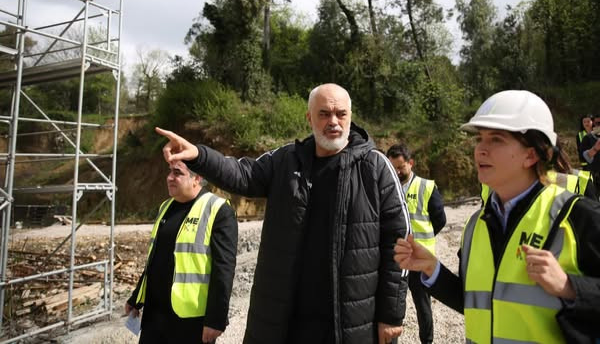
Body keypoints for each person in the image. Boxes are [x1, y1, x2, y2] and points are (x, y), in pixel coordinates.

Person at [155, 83, 410, 344]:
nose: (333, 121)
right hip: (284, 320)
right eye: (324, 114)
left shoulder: (375, 166)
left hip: (348, 323)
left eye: (340, 114)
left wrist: (391, 314)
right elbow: (243, 174)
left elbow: (399, 240)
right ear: (309, 117)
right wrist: (199, 156)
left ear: (350, 117)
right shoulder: (287, 159)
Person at [394, 90, 600, 343]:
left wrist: (570, 288)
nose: (480, 149)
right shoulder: (475, 226)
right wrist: (432, 268)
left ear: (531, 154)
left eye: (496, 140)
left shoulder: (577, 217)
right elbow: (479, 304)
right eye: (480, 138)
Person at [126, 161, 238, 344]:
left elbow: (224, 269)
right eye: (170, 171)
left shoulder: (218, 210)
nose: (169, 177)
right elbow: (155, 259)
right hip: (155, 316)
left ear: (197, 178)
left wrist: (216, 319)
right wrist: (136, 298)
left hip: (191, 321)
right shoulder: (165, 207)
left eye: (177, 173)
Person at [386, 144, 446, 344]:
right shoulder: (387, 187)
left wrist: (422, 241)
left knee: (422, 305)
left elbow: (440, 219)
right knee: (393, 305)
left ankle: (427, 341)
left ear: (410, 163)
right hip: (396, 259)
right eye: (392, 167)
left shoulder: (426, 187)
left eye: (400, 167)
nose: (396, 172)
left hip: (419, 259)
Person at [581, 115, 600, 185]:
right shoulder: (587, 138)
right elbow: (585, 157)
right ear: (593, 124)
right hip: (595, 176)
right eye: (597, 123)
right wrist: (595, 149)